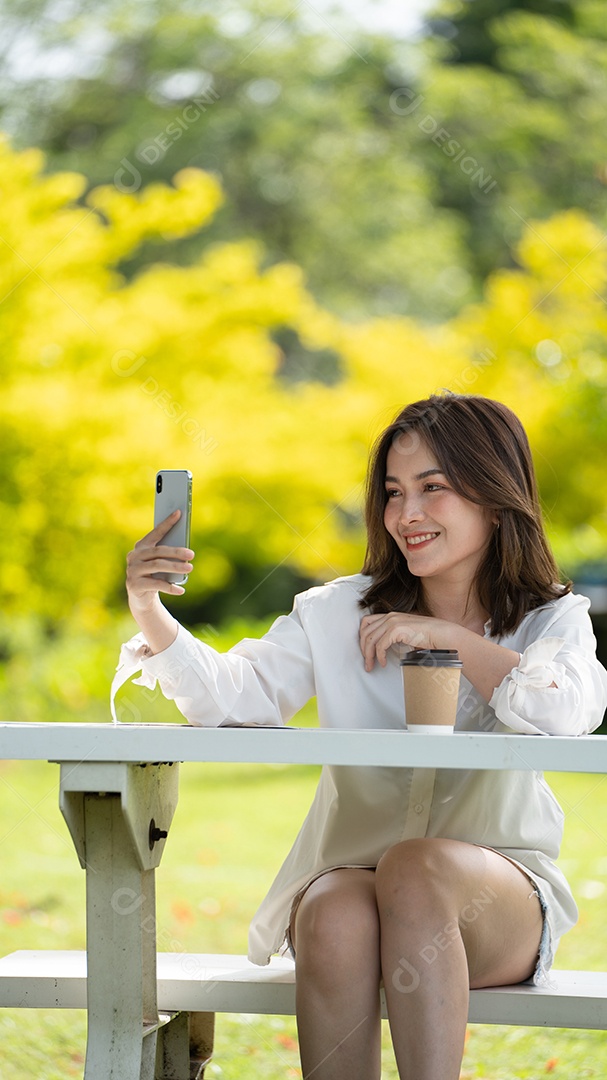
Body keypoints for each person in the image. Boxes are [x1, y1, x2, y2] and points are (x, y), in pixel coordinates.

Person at [120, 394, 607, 1080]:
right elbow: (233, 695)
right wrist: (149, 609)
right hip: (356, 895)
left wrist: (450, 640)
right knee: (330, 905)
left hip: (493, 907)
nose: (406, 514)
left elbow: (564, 711)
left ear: (495, 500)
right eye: (392, 492)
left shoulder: (550, 619)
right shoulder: (336, 613)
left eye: (432, 489)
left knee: (413, 865)